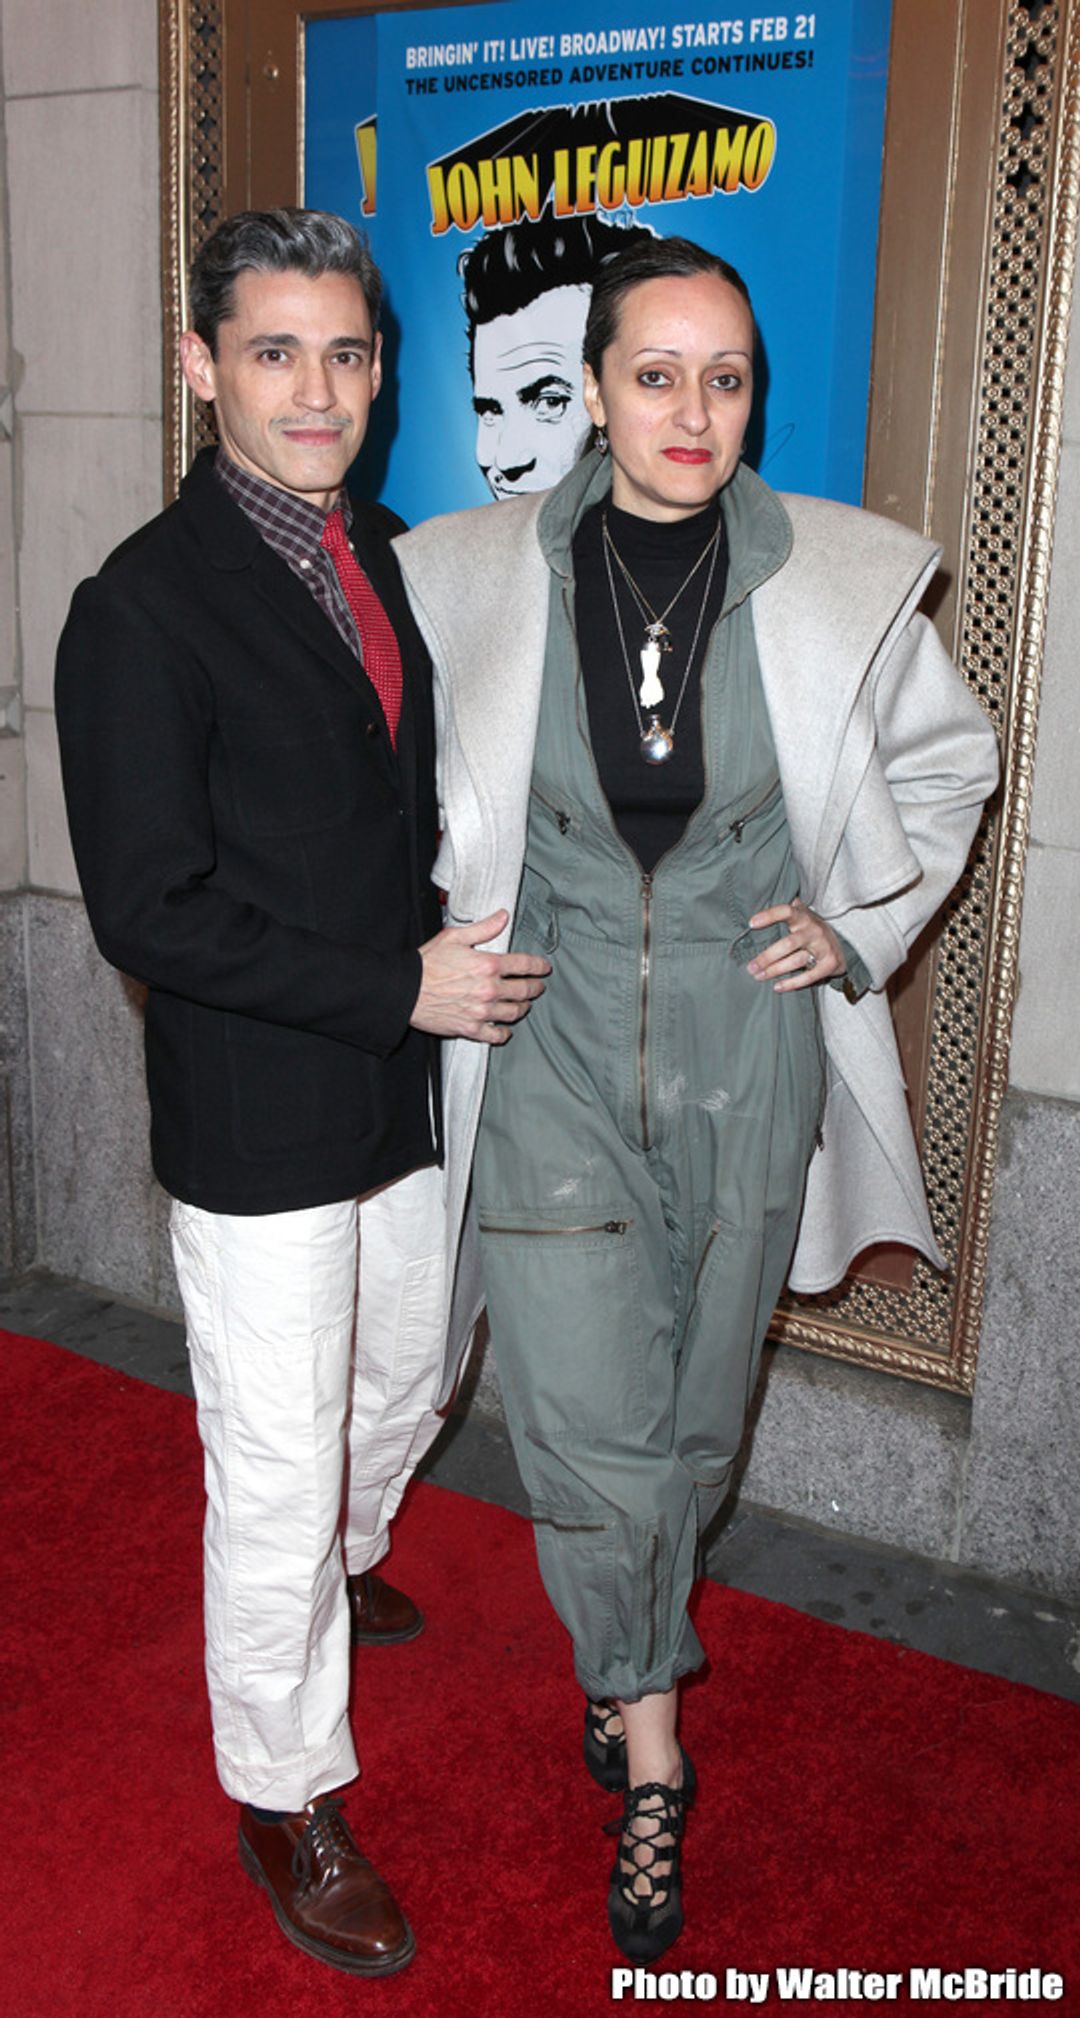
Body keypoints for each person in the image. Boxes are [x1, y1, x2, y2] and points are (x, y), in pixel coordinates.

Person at [395, 236, 1000, 1960]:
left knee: (698, 1424)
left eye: (723, 377)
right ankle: (654, 1746)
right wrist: (424, 940)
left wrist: (860, 919)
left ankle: (621, 1644)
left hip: (752, 1061)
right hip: (550, 1050)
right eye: (653, 373)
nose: (690, 410)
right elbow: (368, 776)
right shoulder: (464, 572)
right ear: (588, 389)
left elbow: (952, 760)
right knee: (586, 1426)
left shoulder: (842, 578)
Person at [54, 207, 549, 1978]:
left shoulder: (383, 552)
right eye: (275, 352)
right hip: (262, 1106)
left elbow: (387, 809)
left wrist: (455, 924)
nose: (319, 388)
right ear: (203, 366)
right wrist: (393, 977)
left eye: (348, 352)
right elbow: (150, 907)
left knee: (406, 1369)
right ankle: (283, 1781)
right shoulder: (137, 608)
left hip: (397, 1076)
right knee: (271, 1453)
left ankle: (332, 1575)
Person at [461, 213, 655, 499]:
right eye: (490, 412)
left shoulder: (731, 539)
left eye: (550, 403)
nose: (508, 460)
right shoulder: (428, 541)